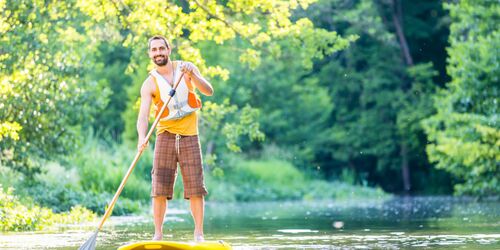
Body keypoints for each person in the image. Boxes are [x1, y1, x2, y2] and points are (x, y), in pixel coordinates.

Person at [136, 35, 213, 242]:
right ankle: (158, 235)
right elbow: (143, 116)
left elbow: (208, 90)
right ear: (150, 54)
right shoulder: (149, 84)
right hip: (165, 136)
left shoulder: (186, 69)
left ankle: (198, 234)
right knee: (159, 188)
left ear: (169, 50)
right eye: (154, 50)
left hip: (189, 135)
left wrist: (193, 75)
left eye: (162, 48)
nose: (158, 52)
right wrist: (142, 137)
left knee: (195, 188)